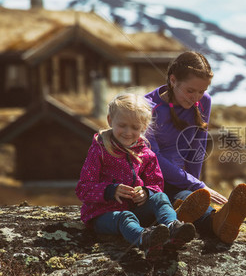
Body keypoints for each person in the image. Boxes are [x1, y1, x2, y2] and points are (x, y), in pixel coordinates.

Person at [75, 93, 204, 258]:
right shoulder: (100, 149)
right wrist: (110, 191)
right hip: (102, 214)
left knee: (160, 198)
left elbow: (157, 185)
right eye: (122, 125)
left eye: (135, 127)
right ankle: (145, 239)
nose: (128, 132)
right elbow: (83, 189)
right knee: (125, 217)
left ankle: (173, 228)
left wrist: (146, 192)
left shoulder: (147, 154)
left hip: (136, 209)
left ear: (143, 128)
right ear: (110, 120)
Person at [145, 51, 246, 244]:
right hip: (151, 180)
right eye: (190, 91)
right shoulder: (147, 108)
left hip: (180, 181)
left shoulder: (204, 102)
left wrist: (196, 188)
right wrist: (196, 185)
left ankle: (218, 221)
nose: (196, 98)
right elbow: (153, 158)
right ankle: (209, 219)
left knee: (188, 198)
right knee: (173, 199)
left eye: (201, 91)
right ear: (173, 79)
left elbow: (198, 147)